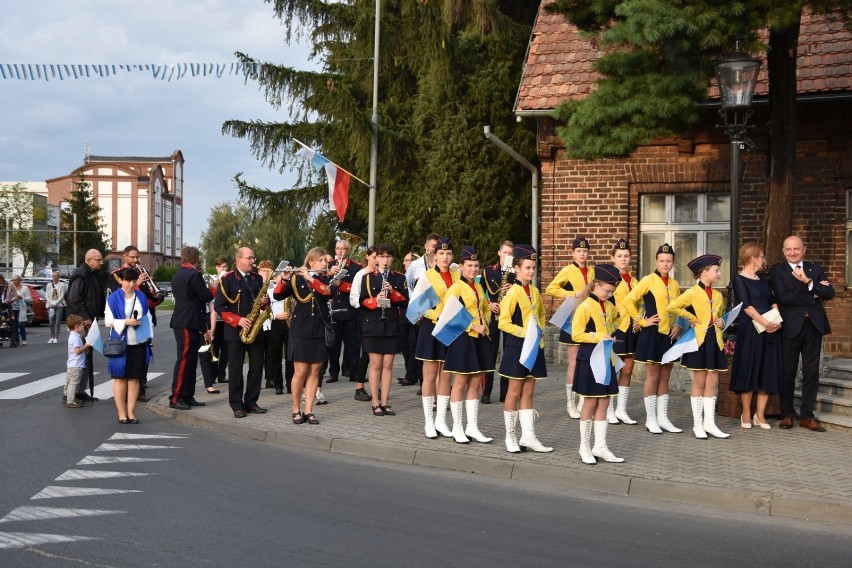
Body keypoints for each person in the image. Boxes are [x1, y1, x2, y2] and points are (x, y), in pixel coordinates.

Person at [770, 235, 835, 432]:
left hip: (813, 326)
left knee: (811, 372)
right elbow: (783, 297)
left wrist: (808, 281)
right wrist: (813, 293)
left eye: (796, 249)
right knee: (788, 372)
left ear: (804, 249)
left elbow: (830, 293)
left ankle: (807, 416)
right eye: (788, 249)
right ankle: (787, 414)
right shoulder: (777, 271)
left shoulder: (815, 270)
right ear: (783, 251)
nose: (792, 253)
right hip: (790, 327)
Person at [667, 255, 730, 439]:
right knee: (699, 381)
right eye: (716, 270)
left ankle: (709, 423)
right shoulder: (693, 292)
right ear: (704, 272)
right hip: (699, 341)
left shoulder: (718, 295)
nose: (719, 273)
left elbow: (720, 317)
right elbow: (672, 306)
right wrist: (690, 317)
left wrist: (722, 323)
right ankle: (697, 425)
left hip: (715, 340)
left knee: (713, 382)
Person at [498, 245, 552, 453]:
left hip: (533, 348)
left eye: (533, 268)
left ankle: (528, 436)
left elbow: (540, 315)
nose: (531, 271)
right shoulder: (513, 292)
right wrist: (525, 333)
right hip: (517, 347)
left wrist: (539, 332)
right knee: (514, 390)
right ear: (517, 269)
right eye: (527, 267)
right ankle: (510, 435)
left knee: (529, 390)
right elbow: (503, 323)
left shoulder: (535, 291)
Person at [624, 243, 683, 434]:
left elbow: (680, 307)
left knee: (666, 375)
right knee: (653, 375)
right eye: (662, 261)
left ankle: (663, 417)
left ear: (673, 263)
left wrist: (679, 324)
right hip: (652, 334)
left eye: (669, 261)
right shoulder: (648, 280)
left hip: (670, 335)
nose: (665, 264)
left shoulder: (674, 284)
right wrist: (641, 321)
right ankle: (651, 419)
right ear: (656, 261)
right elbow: (628, 301)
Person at [273, 247, 335, 425]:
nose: (325, 263)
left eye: (325, 260)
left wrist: (311, 278)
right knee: (300, 372)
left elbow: (328, 292)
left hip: (319, 332)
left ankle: (309, 410)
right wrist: (284, 278)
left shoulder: (327, 279)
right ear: (311, 262)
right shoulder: (296, 279)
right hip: (300, 331)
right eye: (321, 260)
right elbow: (278, 295)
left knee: (315, 372)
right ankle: (295, 409)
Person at [572, 264, 624, 463]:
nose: (609, 295)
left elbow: (615, 323)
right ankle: (584, 447)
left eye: (612, 292)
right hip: (589, 358)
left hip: (606, 357)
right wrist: (598, 336)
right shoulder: (585, 306)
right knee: (590, 401)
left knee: (605, 400)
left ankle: (600, 446)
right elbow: (576, 334)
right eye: (607, 290)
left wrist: (612, 334)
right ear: (596, 285)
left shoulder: (609, 306)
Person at [729, 243, 782, 430]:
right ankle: (745, 412)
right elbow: (747, 307)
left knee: (766, 370)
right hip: (751, 330)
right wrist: (765, 322)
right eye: (761, 257)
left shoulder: (764, 280)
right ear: (753, 259)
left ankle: (759, 415)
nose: (763, 260)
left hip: (769, 329)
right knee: (749, 368)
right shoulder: (739, 280)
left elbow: (773, 301)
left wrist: (777, 320)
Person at [443, 246, 493, 443]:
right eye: (470, 265)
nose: (473, 269)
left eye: (476, 265)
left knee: (475, 381)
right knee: (461, 382)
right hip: (463, 339)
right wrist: (473, 326)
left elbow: (485, 308)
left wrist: (486, 324)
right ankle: (457, 427)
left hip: (479, 338)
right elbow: (449, 316)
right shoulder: (456, 288)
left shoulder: (479, 287)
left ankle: (472, 427)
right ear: (461, 266)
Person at [214, 247, 269, 419]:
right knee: (236, 369)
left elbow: (261, 303)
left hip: (255, 329)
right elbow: (219, 307)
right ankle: (237, 405)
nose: (253, 261)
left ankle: (251, 402)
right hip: (235, 331)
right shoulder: (227, 280)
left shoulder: (258, 278)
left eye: (253, 258)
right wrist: (238, 320)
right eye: (250, 258)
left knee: (257, 367)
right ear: (239, 259)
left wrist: (265, 303)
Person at [414, 237, 460, 439]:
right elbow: (416, 308)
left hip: (449, 328)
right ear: (434, 256)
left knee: (446, 375)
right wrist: (437, 315)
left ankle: (441, 420)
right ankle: (428, 422)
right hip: (431, 328)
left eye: (449, 253)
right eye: (441, 254)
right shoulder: (427, 277)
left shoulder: (457, 276)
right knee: (430, 375)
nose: (445, 257)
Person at [545, 236, 595, 419]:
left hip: (589, 319)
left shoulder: (592, 271)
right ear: (573, 253)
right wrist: (572, 294)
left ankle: (583, 399)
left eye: (585, 251)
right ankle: (570, 403)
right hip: (572, 318)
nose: (582, 254)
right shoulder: (567, 270)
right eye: (579, 251)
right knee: (574, 361)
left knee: (585, 360)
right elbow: (551, 289)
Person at [106, 246, 165, 401]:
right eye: (132, 257)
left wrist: (157, 297)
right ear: (125, 256)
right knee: (125, 359)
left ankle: (141, 390)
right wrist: (137, 283)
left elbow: (148, 299)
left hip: (143, 321)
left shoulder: (142, 271)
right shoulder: (116, 275)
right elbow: (119, 295)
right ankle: (125, 391)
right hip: (124, 324)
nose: (136, 260)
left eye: (137, 257)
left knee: (142, 357)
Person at [359, 243, 408, 416]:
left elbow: (405, 302)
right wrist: (375, 299)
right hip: (373, 324)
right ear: (376, 258)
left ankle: (386, 402)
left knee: (388, 364)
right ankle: (375, 402)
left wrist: (392, 292)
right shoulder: (368, 277)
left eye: (388, 256)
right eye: (382, 256)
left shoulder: (398, 277)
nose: (385, 259)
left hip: (392, 324)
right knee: (376, 364)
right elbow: (362, 301)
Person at [104, 268, 153, 424]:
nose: (131, 284)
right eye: (127, 281)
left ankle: (131, 412)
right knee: (120, 379)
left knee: (134, 379)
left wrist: (149, 333)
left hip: (138, 342)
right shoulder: (113, 298)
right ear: (121, 281)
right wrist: (126, 322)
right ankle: (121, 413)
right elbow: (108, 321)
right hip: (120, 343)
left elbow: (147, 316)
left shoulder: (141, 296)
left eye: (133, 281)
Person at [169, 246, 214, 410]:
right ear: (196, 259)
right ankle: (176, 397)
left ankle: (187, 395)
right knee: (184, 360)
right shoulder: (194, 275)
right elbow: (206, 295)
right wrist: (214, 287)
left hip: (187, 321)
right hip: (188, 322)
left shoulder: (178, 273)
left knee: (190, 361)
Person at [66, 249, 106, 402]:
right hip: (81, 323)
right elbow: (74, 299)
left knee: (86, 357)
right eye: (98, 259)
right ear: (89, 260)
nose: (101, 262)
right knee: (79, 357)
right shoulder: (81, 274)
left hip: (89, 321)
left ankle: (80, 390)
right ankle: (72, 392)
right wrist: (86, 318)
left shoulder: (93, 274)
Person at [327, 238, 363, 393]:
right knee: (334, 344)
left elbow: (357, 288)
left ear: (348, 251)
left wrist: (340, 284)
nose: (340, 251)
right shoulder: (328, 266)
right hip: (334, 309)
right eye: (337, 248)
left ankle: (352, 371)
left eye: (343, 249)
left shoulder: (355, 266)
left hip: (350, 310)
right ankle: (333, 372)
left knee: (353, 344)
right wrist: (330, 275)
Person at [481, 240, 514, 404]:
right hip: (493, 317)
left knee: (508, 354)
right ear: (499, 253)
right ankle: (486, 392)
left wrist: (513, 288)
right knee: (490, 353)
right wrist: (489, 303)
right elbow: (479, 292)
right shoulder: (488, 271)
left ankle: (505, 393)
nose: (508, 256)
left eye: (511, 253)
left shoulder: (516, 273)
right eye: (505, 252)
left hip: (509, 317)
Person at [610, 239, 639, 424]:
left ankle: (621, 409)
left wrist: (639, 318)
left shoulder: (635, 281)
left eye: (626, 256)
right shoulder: (610, 278)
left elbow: (640, 303)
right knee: (613, 368)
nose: (623, 259)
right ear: (613, 258)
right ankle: (608, 409)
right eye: (619, 256)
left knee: (628, 369)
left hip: (632, 328)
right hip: (616, 328)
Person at [396, 251, 420, 388]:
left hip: (415, 315)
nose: (407, 263)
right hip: (403, 314)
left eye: (410, 260)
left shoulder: (419, 277)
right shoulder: (401, 277)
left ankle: (412, 375)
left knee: (413, 345)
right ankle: (409, 373)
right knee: (405, 346)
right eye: (405, 260)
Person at [63, 315, 90, 409]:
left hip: (71, 363)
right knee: (74, 383)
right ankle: (70, 400)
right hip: (76, 364)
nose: (84, 326)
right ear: (76, 326)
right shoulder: (76, 338)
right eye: (82, 324)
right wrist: (86, 346)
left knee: (69, 382)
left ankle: (67, 396)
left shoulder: (72, 336)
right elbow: (77, 351)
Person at [211, 257, 230, 384]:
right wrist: (219, 279)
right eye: (220, 267)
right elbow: (211, 292)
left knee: (226, 349)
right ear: (216, 268)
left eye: (225, 267)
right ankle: (212, 375)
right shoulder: (212, 279)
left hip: (226, 320)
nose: (223, 269)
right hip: (215, 320)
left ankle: (222, 374)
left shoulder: (230, 279)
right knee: (214, 349)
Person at [45, 270, 67, 344]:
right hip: (50, 305)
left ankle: (56, 337)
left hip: (59, 305)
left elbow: (62, 296)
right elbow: (47, 296)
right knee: (51, 322)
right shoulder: (49, 285)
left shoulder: (62, 285)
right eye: (53, 276)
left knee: (57, 322)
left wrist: (56, 303)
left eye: (56, 276)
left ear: (58, 277)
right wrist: (51, 303)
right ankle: (52, 336)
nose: (54, 277)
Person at [10, 275, 31, 345]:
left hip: (21, 308)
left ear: (19, 280)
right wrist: (11, 299)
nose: (14, 282)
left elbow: (29, 299)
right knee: (14, 324)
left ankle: (24, 339)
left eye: (15, 280)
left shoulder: (25, 288)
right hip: (13, 308)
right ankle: (16, 339)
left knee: (21, 324)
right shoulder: (11, 287)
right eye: (13, 280)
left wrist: (21, 297)